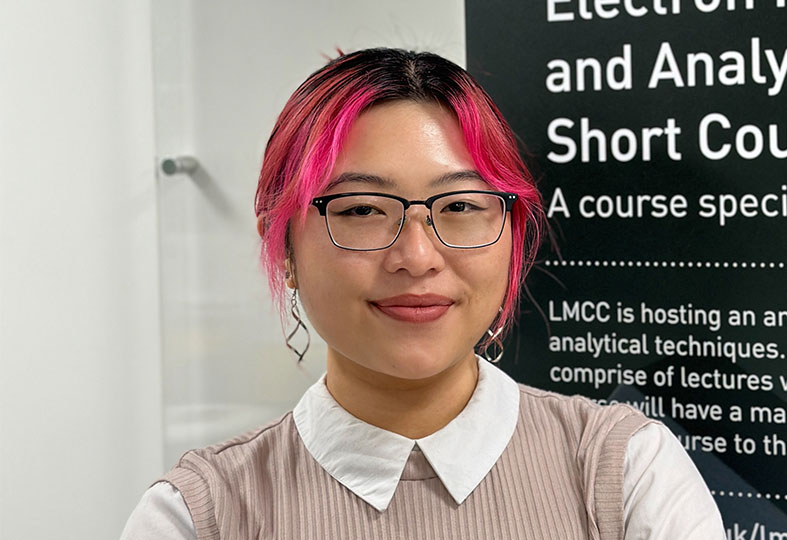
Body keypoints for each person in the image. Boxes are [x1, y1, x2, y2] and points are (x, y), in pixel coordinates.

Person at [120, 47, 725, 539]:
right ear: (284, 249)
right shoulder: (199, 516)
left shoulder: (625, 475)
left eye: (459, 206)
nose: (416, 257)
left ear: (512, 231)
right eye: (361, 210)